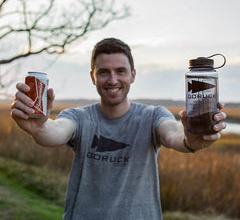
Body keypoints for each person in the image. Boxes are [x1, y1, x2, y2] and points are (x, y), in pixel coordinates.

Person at [11, 38, 227, 220]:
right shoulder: (79, 117)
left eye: (120, 71)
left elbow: (173, 134)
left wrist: (191, 140)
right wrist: (38, 127)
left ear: (133, 75)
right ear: (92, 76)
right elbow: (54, 132)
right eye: (104, 72)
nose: (113, 80)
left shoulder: (152, 116)